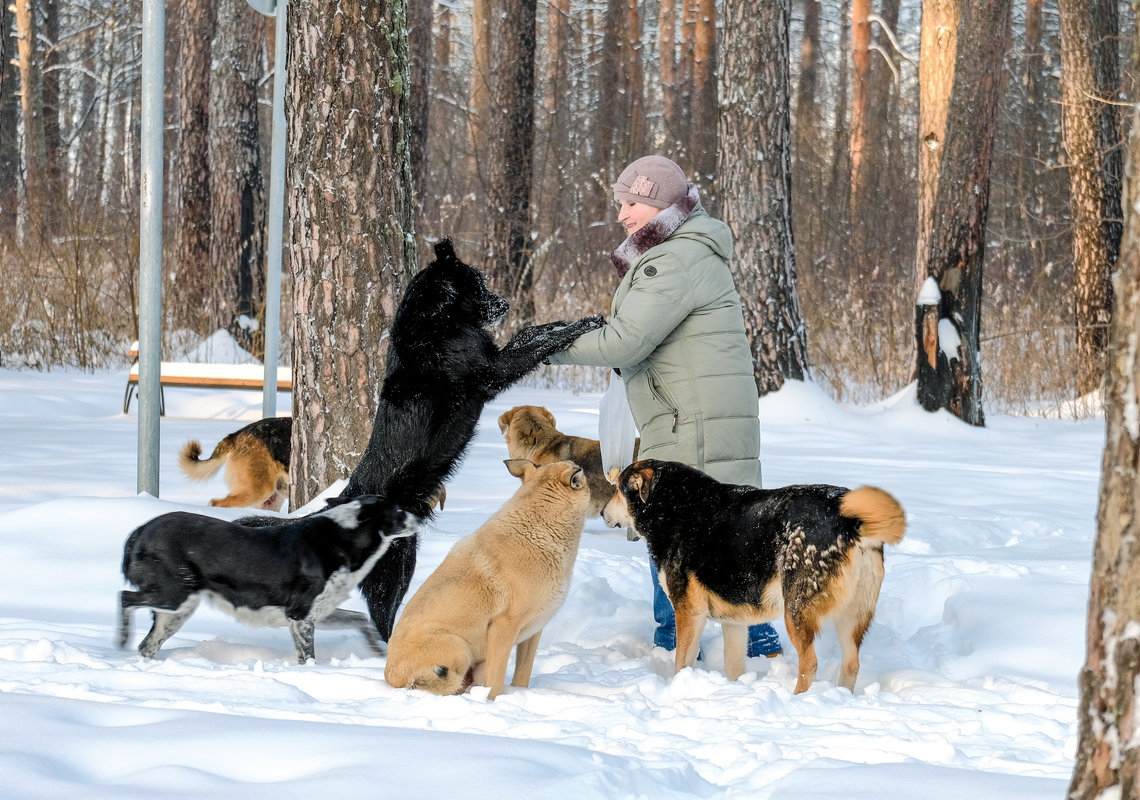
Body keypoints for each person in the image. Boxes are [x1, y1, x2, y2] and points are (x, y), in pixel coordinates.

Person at [547, 155, 782, 658]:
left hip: (691, 425)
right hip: (698, 419)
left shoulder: (673, 260)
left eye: (632, 203)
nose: (622, 215)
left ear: (659, 205)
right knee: (727, 530)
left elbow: (624, 342)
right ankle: (757, 640)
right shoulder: (688, 252)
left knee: (667, 524)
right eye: (621, 203)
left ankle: (676, 641)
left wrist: (548, 344)